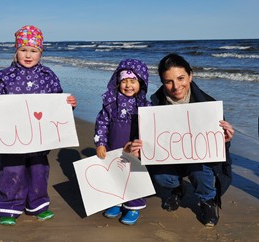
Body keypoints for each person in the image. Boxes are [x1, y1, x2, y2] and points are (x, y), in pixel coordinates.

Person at [0, 25, 77, 226]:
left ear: (41, 52)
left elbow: (56, 103)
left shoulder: (48, 76)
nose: (28, 55)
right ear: (16, 50)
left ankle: (38, 205)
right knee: (12, 170)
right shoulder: (5, 76)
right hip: (13, 137)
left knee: (39, 170)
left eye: (33, 51)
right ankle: (9, 206)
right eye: (23, 50)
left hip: (39, 136)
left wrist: (68, 105)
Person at [126, 54, 234, 227]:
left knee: (200, 173)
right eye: (168, 81)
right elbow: (143, 142)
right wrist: (138, 149)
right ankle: (177, 189)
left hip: (199, 160)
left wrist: (225, 140)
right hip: (169, 159)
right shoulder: (152, 107)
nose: (176, 86)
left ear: (190, 75)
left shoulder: (208, 104)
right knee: (162, 178)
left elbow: (219, 149)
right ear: (162, 82)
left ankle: (207, 201)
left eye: (181, 78)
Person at [94, 58, 151, 225]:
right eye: (124, 81)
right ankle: (116, 202)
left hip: (134, 151)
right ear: (117, 83)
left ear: (141, 83)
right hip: (113, 148)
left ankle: (133, 206)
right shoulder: (110, 104)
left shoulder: (145, 106)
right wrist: (100, 144)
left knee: (132, 177)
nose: (128, 85)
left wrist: (145, 148)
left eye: (133, 81)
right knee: (114, 175)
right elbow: (101, 124)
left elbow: (151, 129)